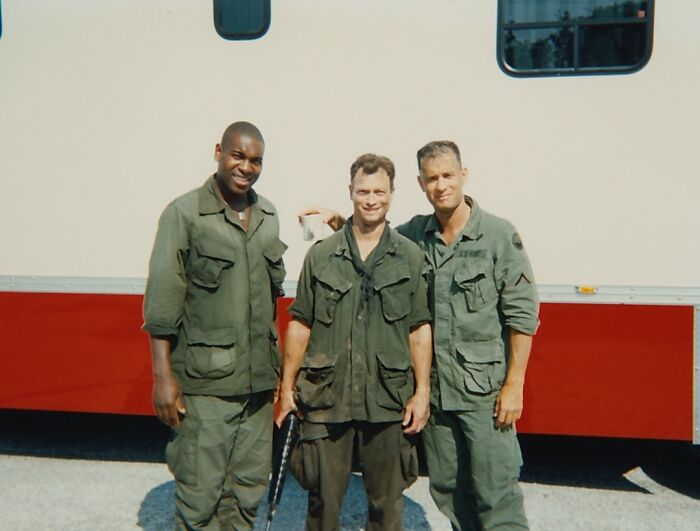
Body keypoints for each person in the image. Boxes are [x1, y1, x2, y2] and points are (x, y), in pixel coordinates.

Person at [304, 140, 539, 530]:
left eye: (448, 175)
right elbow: (373, 239)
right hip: (439, 398)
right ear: (420, 183)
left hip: (484, 395)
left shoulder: (498, 236)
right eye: (431, 178)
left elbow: (522, 317)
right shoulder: (416, 235)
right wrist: (338, 224)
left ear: (464, 175)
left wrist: (514, 385)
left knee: (496, 494)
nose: (441, 185)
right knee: (448, 489)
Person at [276, 153, 433, 531]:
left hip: (387, 399)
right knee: (322, 506)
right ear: (350, 192)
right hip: (327, 398)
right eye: (363, 190)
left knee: (386, 506)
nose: (371, 199)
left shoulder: (410, 257)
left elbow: (419, 329)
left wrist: (422, 392)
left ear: (393, 193)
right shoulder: (322, 256)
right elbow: (301, 323)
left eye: (380, 190)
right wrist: (286, 388)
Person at [142, 121, 287, 530]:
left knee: (246, 494)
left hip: (258, 389)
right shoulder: (185, 214)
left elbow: (270, 301)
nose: (246, 167)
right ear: (219, 151)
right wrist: (163, 378)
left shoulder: (268, 215)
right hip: (206, 388)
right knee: (200, 496)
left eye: (255, 160)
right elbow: (162, 304)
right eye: (237, 156)